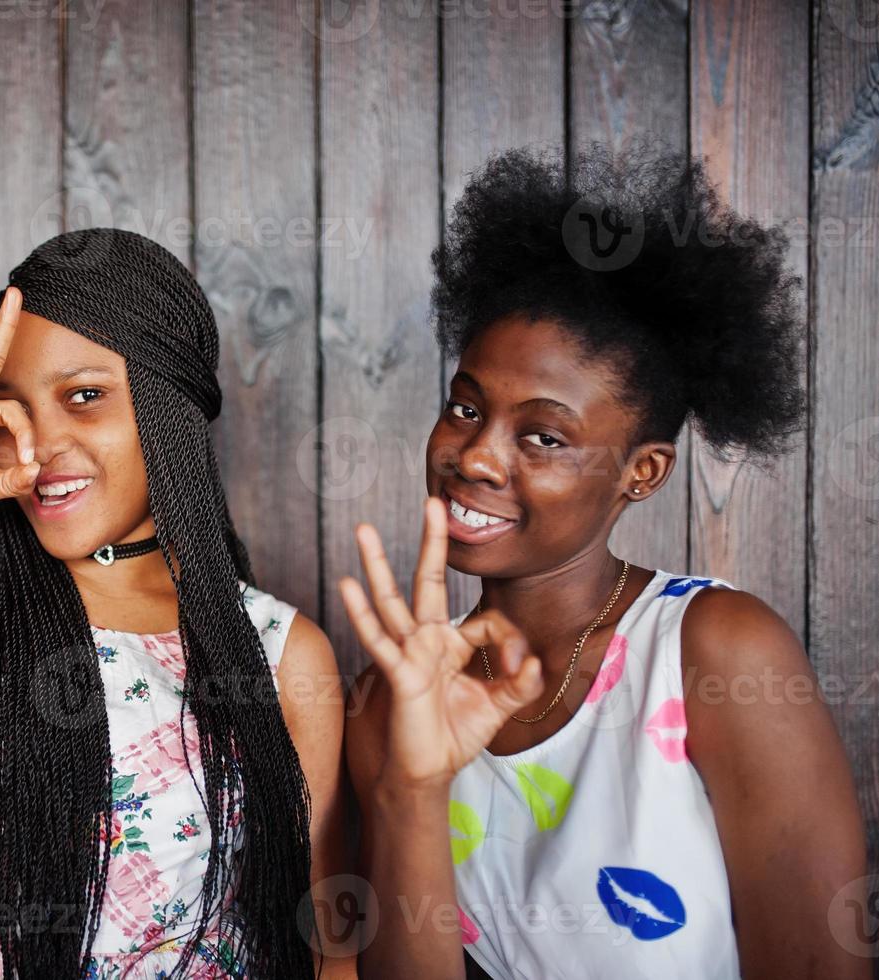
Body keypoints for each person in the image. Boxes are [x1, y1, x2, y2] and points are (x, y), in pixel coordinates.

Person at [339, 144, 868, 978]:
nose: (475, 455)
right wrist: (411, 786)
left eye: (542, 436)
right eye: (464, 407)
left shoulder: (715, 651)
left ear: (641, 472)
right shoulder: (391, 701)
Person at [0, 229, 355, 978]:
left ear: (171, 407)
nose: (38, 448)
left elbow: (326, 955)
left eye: (84, 397)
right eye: (9, 411)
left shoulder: (279, 651)